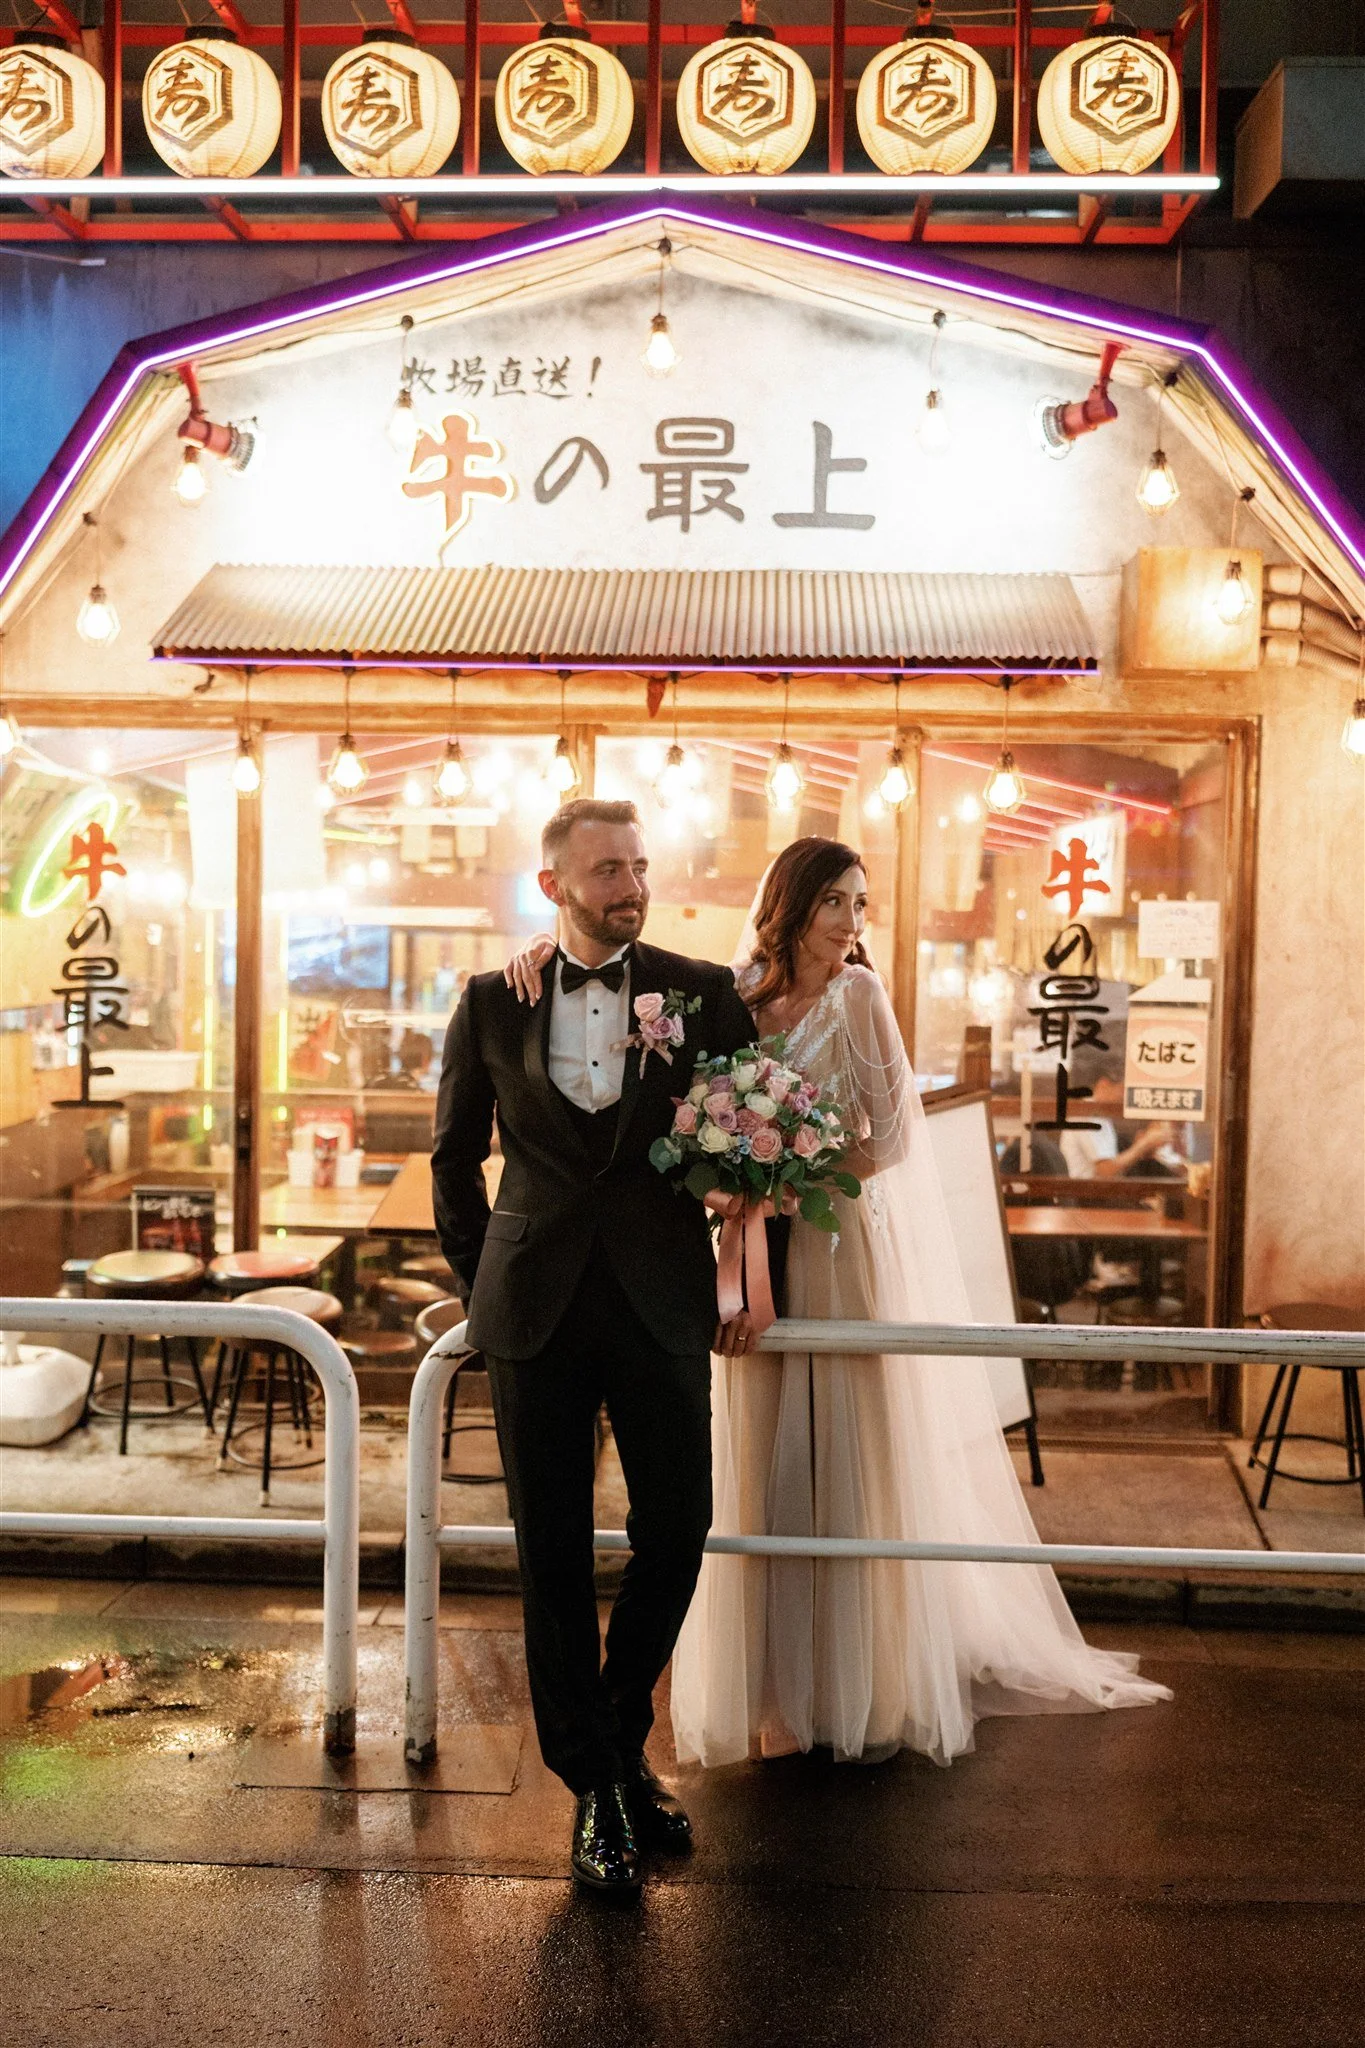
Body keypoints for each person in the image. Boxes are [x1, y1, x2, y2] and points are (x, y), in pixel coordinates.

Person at [509, 837, 1171, 1771]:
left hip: (830, 1239)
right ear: (789, 907)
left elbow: (892, 1137)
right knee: (760, 1456)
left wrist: (785, 1177)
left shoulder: (861, 997)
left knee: (846, 1451)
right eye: (834, 904)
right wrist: (542, 953)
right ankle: (774, 1681)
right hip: (746, 1248)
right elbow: (662, 1067)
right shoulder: (728, 994)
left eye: (859, 905)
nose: (851, 924)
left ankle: (858, 1680)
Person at [431, 798, 757, 1893]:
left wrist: (748, 1259)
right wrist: (485, 1290)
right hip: (534, 1308)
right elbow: (451, 1157)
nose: (632, 883)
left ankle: (616, 1741)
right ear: (554, 883)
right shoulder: (489, 1000)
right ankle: (598, 1788)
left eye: (640, 864)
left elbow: (752, 1133)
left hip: (665, 1299)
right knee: (551, 1550)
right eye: (608, 868)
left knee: (679, 1526)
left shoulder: (701, 991)